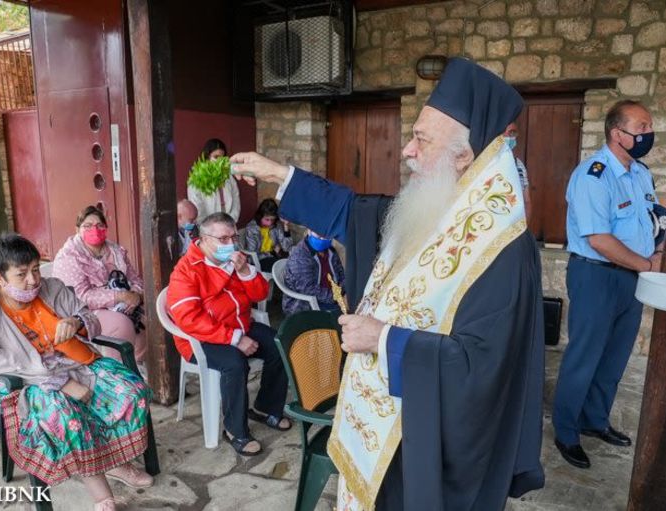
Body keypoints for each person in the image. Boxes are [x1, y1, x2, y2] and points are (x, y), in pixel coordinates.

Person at [230, 58, 545, 510]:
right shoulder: (437, 207)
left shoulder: (502, 249)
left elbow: (484, 367)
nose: (406, 151)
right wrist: (280, 175)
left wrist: (385, 339)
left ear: (464, 154)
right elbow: (359, 214)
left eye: (422, 139)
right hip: (389, 428)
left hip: (425, 447)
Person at [0, 234, 154, 511]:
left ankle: (117, 463)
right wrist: (60, 383)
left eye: (35, 269)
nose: (33, 280)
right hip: (33, 382)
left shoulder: (52, 288)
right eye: (21, 274)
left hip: (78, 363)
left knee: (131, 392)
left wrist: (76, 322)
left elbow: (90, 318)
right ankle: (102, 496)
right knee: (70, 418)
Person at [552, 100, 660, 470]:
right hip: (595, 276)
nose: (649, 134)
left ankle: (595, 421)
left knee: (614, 358)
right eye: (642, 128)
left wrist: (659, 250)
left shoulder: (641, 173)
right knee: (585, 357)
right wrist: (648, 262)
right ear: (619, 134)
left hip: (632, 278)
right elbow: (599, 239)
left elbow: (655, 216)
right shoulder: (592, 176)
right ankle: (566, 432)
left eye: (649, 127)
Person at [167, 212, 290, 456]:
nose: (231, 244)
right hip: (200, 339)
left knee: (279, 343)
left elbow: (260, 294)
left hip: (240, 324)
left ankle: (265, 407)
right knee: (235, 364)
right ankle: (235, 429)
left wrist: (245, 271)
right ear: (203, 240)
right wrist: (235, 339)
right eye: (223, 239)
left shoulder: (235, 261)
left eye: (234, 237)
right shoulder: (186, 270)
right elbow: (189, 319)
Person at [53, 206, 147, 368]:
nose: (94, 230)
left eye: (99, 225)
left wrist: (136, 295)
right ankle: (119, 373)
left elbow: (135, 279)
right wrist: (119, 296)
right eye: (87, 226)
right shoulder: (70, 256)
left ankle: (144, 368)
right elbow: (80, 297)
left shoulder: (115, 251)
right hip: (82, 311)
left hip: (121, 303)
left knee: (151, 315)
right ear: (77, 229)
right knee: (121, 324)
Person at [281, 230, 345, 315]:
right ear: (309, 231)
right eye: (319, 234)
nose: (322, 238)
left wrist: (343, 290)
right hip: (304, 304)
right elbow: (308, 289)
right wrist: (338, 298)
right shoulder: (299, 256)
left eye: (326, 235)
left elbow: (341, 274)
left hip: (331, 296)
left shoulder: (330, 251)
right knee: (345, 315)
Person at [187, 138, 241, 222]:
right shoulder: (196, 180)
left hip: (229, 225)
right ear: (207, 157)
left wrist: (231, 221)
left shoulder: (229, 177)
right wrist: (211, 228)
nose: (220, 161)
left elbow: (236, 200)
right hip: (208, 229)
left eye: (222, 157)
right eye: (216, 157)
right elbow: (197, 208)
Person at [242, 198, 293, 272]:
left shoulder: (276, 226)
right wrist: (272, 252)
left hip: (275, 257)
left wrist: (286, 226)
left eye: (272, 220)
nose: (269, 223)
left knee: (292, 267)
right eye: (267, 219)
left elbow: (287, 248)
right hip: (260, 260)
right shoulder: (252, 228)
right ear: (260, 216)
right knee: (281, 270)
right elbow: (252, 253)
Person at [503, 121, 533, 222]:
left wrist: (525, 229)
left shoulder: (519, 165)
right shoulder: (488, 164)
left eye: (514, 133)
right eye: (510, 133)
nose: (512, 137)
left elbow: (527, 201)